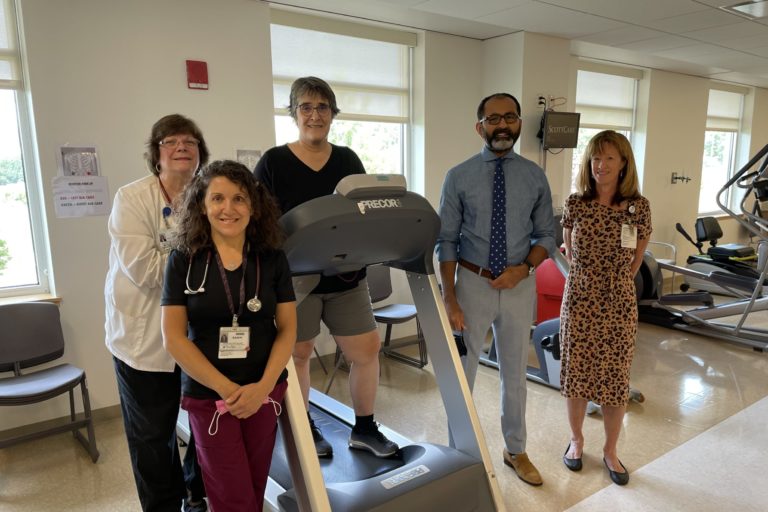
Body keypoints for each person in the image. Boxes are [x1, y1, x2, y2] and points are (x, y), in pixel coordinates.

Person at [254, 76, 398, 458]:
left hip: (346, 279)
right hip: (294, 282)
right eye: (306, 107)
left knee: (366, 350)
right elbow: (259, 222)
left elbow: (363, 212)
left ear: (333, 114)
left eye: (322, 107)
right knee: (298, 354)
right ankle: (305, 429)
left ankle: (364, 429)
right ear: (293, 113)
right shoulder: (273, 162)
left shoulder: (348, 160)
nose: (315, 115)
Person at [161, 160, 296, 512]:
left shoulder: (272, 259)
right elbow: (174, 338)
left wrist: (263, 388)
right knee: (231, 495)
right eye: (217, 198)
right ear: (202, 205)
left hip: (264, 392)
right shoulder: (183, 260)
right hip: (211, 398)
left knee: (254, 484)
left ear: (254, 206)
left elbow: (288, 329)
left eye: (239, 198)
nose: (228, 208)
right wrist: (228, 390)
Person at [436, 93, 556, 486]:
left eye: (509, 117)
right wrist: (450, 298)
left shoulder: (534, 176)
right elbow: (446, 240)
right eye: (493, 119)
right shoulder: (458, 176)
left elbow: (546, 235)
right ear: (480, 127)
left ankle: (515, 450)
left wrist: (524, 269)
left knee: (515, 374)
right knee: (463, 373)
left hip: (520, 286)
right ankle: (458, 455)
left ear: (519, 122)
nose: (502, 125)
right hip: (473, 284)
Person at [104, 114, 209, 512]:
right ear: (156, 154)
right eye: (171, 141)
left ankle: (196, 494)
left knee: (206, 420)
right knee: (152, 435)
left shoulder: (211, 195)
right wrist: (202, 255)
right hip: (142, 337)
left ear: (200, 153)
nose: (182, 147)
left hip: (198, 334)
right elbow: (147, 272)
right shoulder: (131, 199)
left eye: (190, 141)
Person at [559, 130, 651, 486]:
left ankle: (611, 450)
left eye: (610, 158)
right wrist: (590, 279)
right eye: (596, 158)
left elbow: (637, 258)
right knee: (577, 374)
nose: (601, 165)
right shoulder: (576, 203)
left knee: (615, 377)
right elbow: (570, 251)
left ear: (623, 163)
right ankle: (576, 441)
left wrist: (614, 282)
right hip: (580, 297)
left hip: (619, 301)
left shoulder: (638, 207)